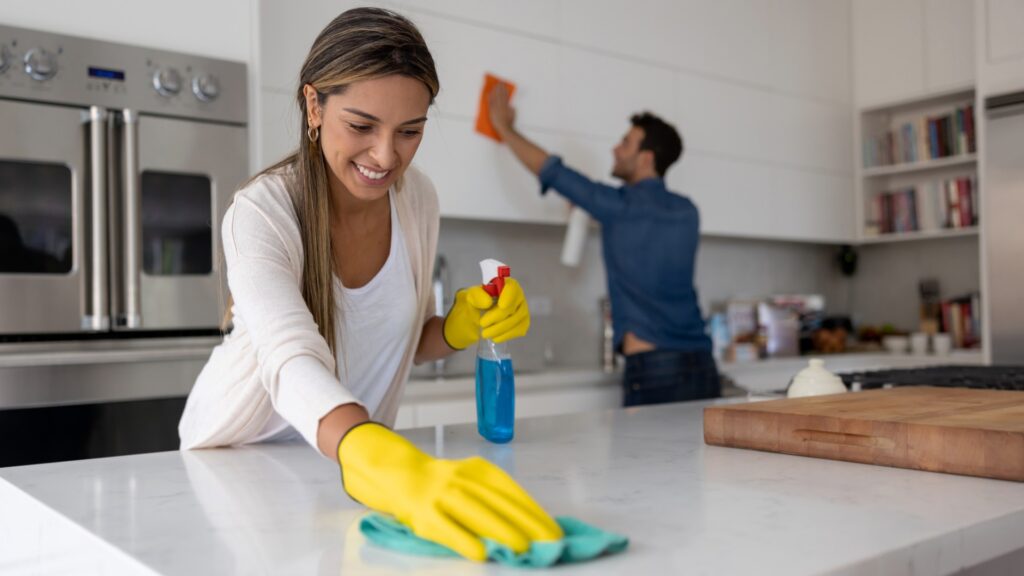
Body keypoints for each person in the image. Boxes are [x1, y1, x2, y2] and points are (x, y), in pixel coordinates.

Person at [178, 8, 561, 561]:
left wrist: (455, 328)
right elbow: (292, 360)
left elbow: (389, 344)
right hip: (235, 469)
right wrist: (384, 459)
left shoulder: (417, 200)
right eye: (361, 126)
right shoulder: (261, 212)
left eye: (410, 132)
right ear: (314, 105)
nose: (386, 156)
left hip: (348, 467)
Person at [488, 86, 720, 407]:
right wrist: (593, 207)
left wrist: (504, 127)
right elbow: (646, 241)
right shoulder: (687, 212)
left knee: (648, 459)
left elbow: (553, 172)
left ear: (646, 158)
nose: (616, 149)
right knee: (695, 458)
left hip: (654, 369)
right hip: (703, 364)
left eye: (626, 143)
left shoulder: (619, 206)